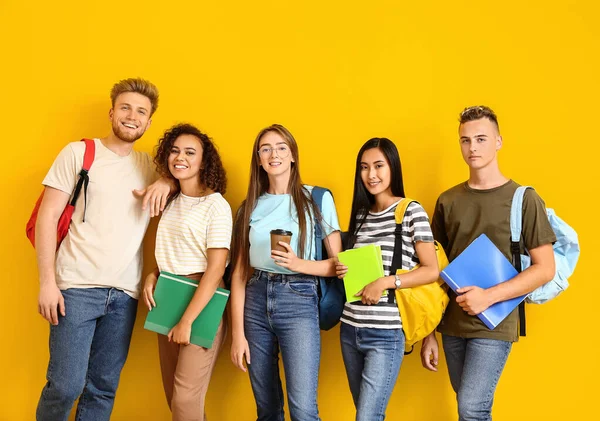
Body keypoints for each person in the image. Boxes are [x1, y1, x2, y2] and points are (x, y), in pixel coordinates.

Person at [35, 78, 171, 421]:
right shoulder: (79, 153)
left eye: (141, 111)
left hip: (125, 295)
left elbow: (193, 175)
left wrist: (167, 180)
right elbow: (47, 217)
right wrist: (47, 282)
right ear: (112, 112)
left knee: (103, 388)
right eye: (125, 107)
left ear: (149, 122)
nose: (132, 116)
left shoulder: (148, 166)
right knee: (65, 386)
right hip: (76, 289)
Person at [421, 105, 556, 421]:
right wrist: (427, 331)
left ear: (498, 141)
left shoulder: (524, 199)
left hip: (495, 320)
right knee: (470, 408)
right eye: (465, 141)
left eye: (481, 139)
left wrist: (487, 297)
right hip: (453, 322)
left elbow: (545, 268)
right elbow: (433, 268)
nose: (472, 148)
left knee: (472, 407)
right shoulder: (447, 200)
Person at [229, 124, 342, 421]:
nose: (273, 154)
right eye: (265, 148)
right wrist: (237, 334)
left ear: (292, 155)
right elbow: (239, 274)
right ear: (258, 159)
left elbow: (340, 265)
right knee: (266, 409)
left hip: (300, 297)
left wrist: (298, 265)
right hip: (254, 300)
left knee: (303, 410)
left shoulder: (316, 199)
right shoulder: (248, 208)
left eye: (281, 147)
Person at [335, 138, 439, 421]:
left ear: (392, 167)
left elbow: (432, 270)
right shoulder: (359, 216)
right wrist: (343, 269)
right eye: (365, 167)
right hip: (350, 329)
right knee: (367, 415)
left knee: (367, 417)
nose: (371, 174)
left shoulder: (410, 212)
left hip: (386, 332)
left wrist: (384, 282)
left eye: (379, 166)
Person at [142, 123, 231, 421]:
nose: (180, 157)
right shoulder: (171, 201)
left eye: (190, 152)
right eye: (175, 151)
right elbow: (177, 250)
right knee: (175, 397)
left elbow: (216, 269)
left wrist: (187, 320)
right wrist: (153, 275)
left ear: (204, 162)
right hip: (166, 296)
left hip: (200, 302)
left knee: (185, 397)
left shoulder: (216, 205)